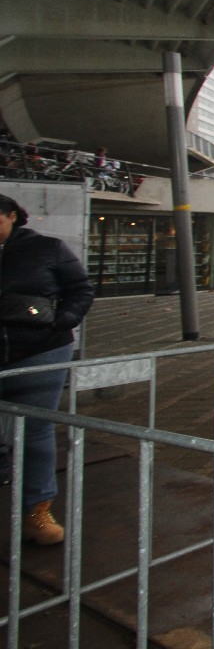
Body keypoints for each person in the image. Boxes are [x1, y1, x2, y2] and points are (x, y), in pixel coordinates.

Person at [0, 194, 95, 545]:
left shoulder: (47, 248)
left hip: (40, 351)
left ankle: (37, 511)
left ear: (12, 216)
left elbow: (81, 290)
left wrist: (62, 320)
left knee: (36, 430)